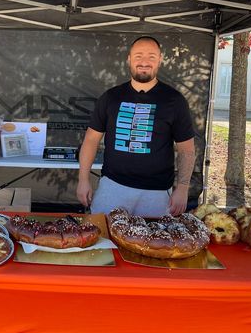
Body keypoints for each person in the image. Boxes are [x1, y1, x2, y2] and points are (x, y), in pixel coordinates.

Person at [76, 36, 196, 216]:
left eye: (151, 57)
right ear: (129, 59)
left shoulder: (175, 101)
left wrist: (183, 188)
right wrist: (83, 179)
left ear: (160, 60)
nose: (144, 62)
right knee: (104, 240)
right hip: (112, 187)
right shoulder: (110, 97)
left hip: (157, 193)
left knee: (155, 243)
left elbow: (186, 149)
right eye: (138, 56)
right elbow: (91, 140)